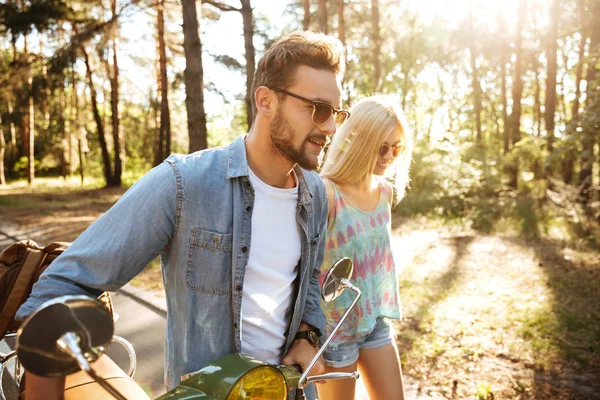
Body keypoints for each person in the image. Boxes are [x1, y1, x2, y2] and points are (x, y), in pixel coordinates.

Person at [16, 30, 350, 399]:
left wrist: (307, 335)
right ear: (266, 100)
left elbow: (310, 279)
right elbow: (61, 288)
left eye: (336, 113)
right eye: (317, 109)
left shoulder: (316, 193)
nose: (331, 127)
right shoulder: (183, 184)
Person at [315, 95, 413, 400]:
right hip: (334, 332)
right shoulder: (327, 193)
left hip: (375, 321)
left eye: (396, 148)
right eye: (381, 147)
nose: (388, 156)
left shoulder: (385, 192)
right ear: (358, 140)